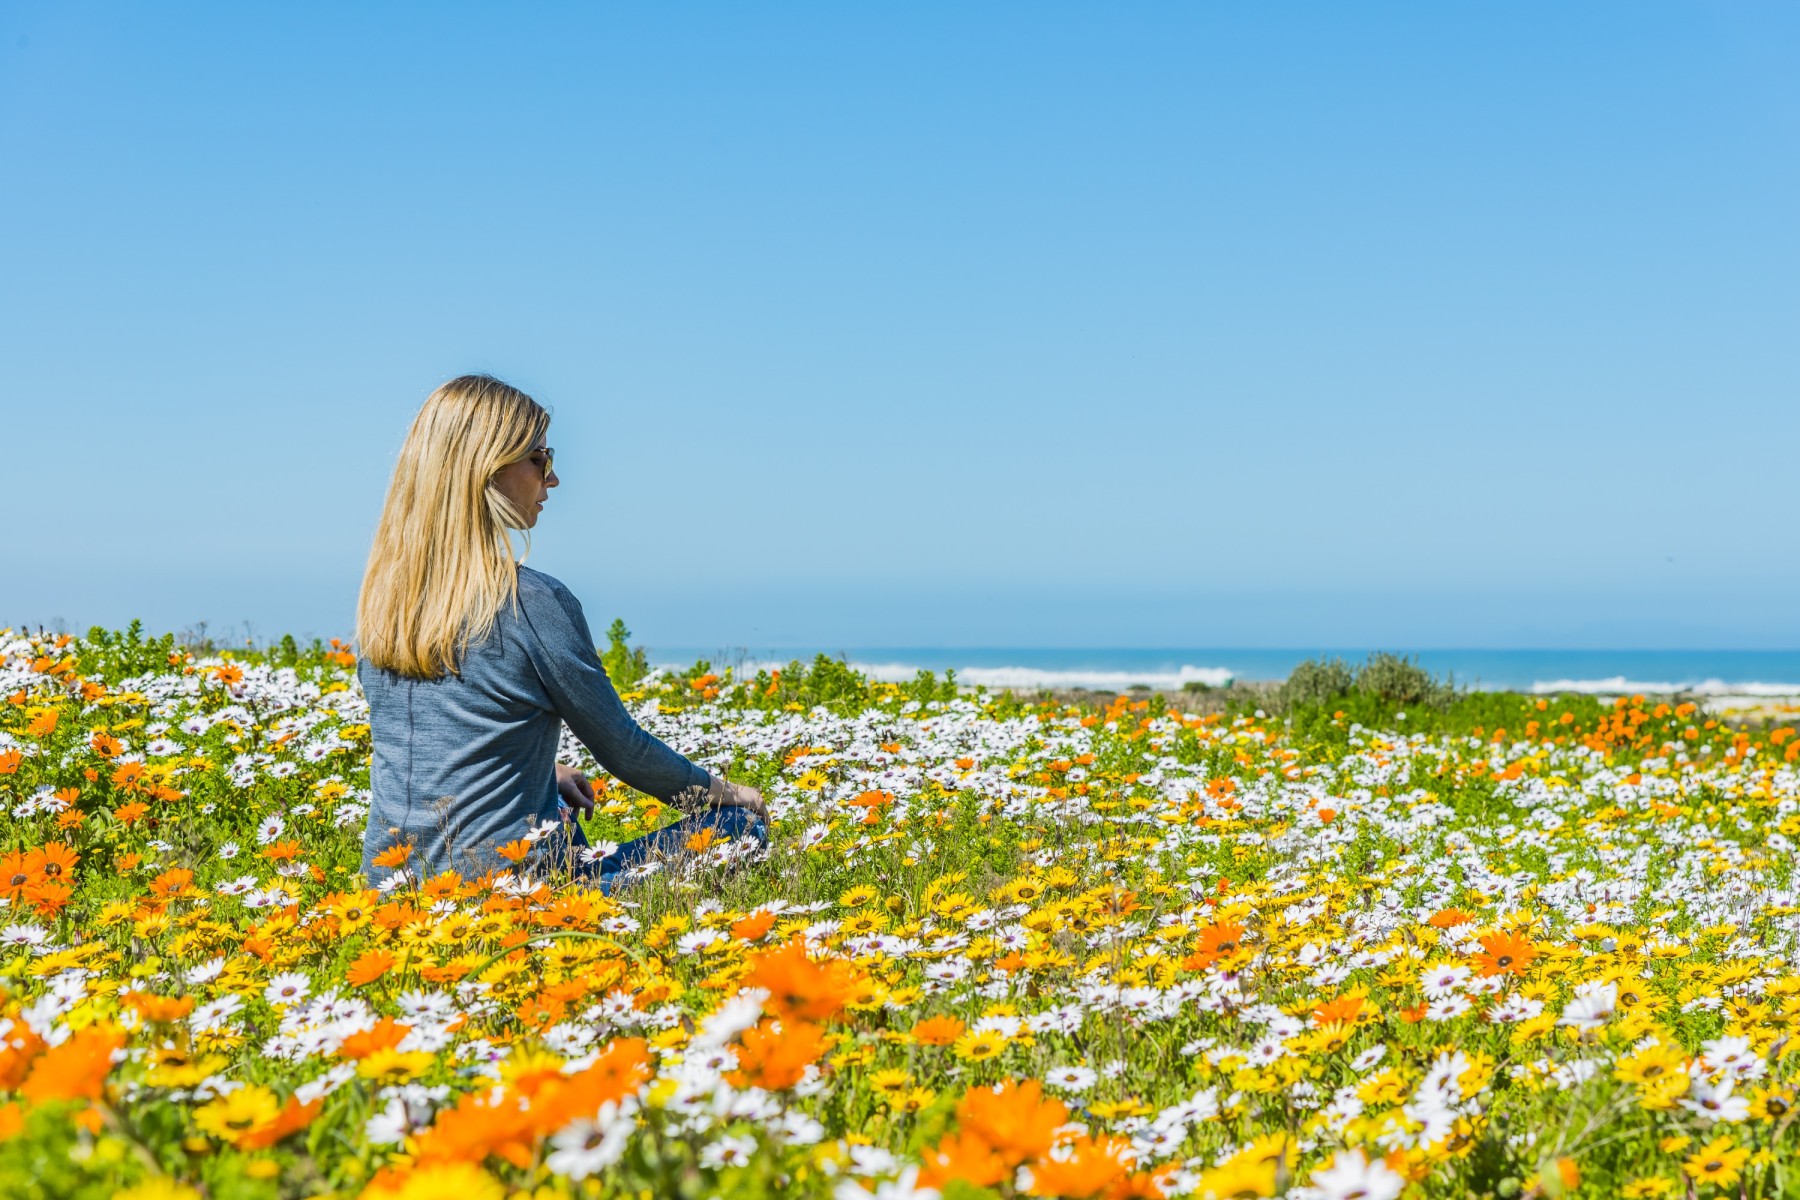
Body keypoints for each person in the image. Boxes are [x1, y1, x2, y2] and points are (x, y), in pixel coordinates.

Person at [353, 374, 767, 891]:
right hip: (513, 897)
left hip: (393, 891)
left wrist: (544, 775)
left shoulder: (387, 604)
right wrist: (726, 792)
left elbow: (439, 747)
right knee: (739, 829)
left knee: (559, 812)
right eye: (540, 459)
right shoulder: (531, 601)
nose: (552, 480)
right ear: (489, 468)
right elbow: (623, 749)